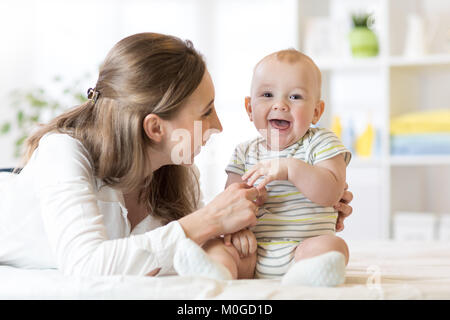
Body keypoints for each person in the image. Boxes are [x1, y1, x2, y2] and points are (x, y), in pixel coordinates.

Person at [0, 33, 353, 278]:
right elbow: (87, 265)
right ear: (155, 129)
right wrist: (210, 222)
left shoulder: (168, 174)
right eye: (206, 111)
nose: (218, 125)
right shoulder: (62, 152)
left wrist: (305, 205)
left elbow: (172, 250)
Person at [177, 49, 352, 287]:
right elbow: (231, 201)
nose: (280, 105)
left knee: (333, 247)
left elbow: (332, 192)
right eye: (268, 94)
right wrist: (237, 229)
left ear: (316, 111)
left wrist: (290, 168)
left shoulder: (321, 142)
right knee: (216, 245)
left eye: (295, 97)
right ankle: (217, 271)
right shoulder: (244, 152)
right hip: (253, 250)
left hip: (305, 246)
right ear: (249, 108)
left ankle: (309, 274)